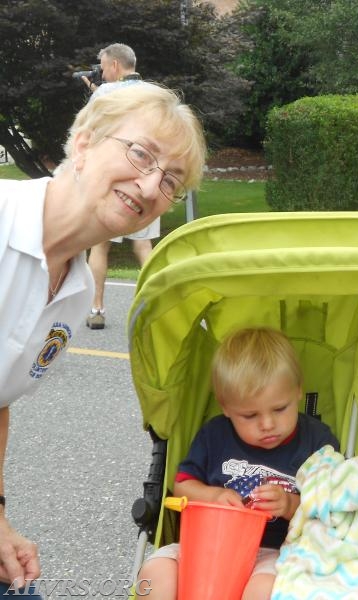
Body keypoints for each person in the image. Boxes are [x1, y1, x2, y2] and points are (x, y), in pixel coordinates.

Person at [0, 82, 206, 593]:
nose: (152, 184)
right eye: (142, 154)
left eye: (171, 181)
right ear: (86, 141)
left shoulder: (73, 291)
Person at [137, 327, 340, 600]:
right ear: (226, 407)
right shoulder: (215, 435)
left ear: (298, 392)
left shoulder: (317, 442)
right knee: (155, 573)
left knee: (265, 592)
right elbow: (182, 486)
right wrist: (214, 495)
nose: (267, 424)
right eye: (249, 415)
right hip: (207, 545)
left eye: (280, 409)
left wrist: (292, 505)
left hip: (276, 552)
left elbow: (335, 505)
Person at [82, 43, 155, 330]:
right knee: (142, 244)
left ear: (114, 66)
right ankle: (154, 304)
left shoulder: (104, 93)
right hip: (146, 177)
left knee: (100, 246)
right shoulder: (154, 94)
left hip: (112, 179)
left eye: (102, 67)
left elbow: (88, 128)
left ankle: (96, 309)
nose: (101, 72)